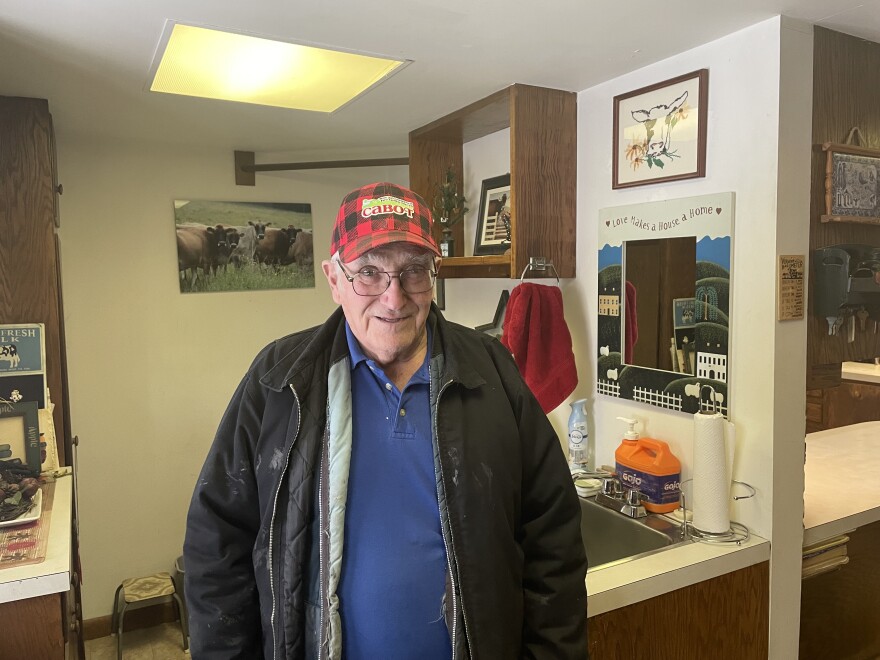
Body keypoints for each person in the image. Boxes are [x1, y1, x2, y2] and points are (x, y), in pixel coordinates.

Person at [184, 181, 588, 659]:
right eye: (369, 273)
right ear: (334, 279)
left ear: (433, 277)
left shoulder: (493, 373)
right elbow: (216, 548)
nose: (394, 299)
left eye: (413, 271)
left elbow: (553, 544)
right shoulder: (278, 383)